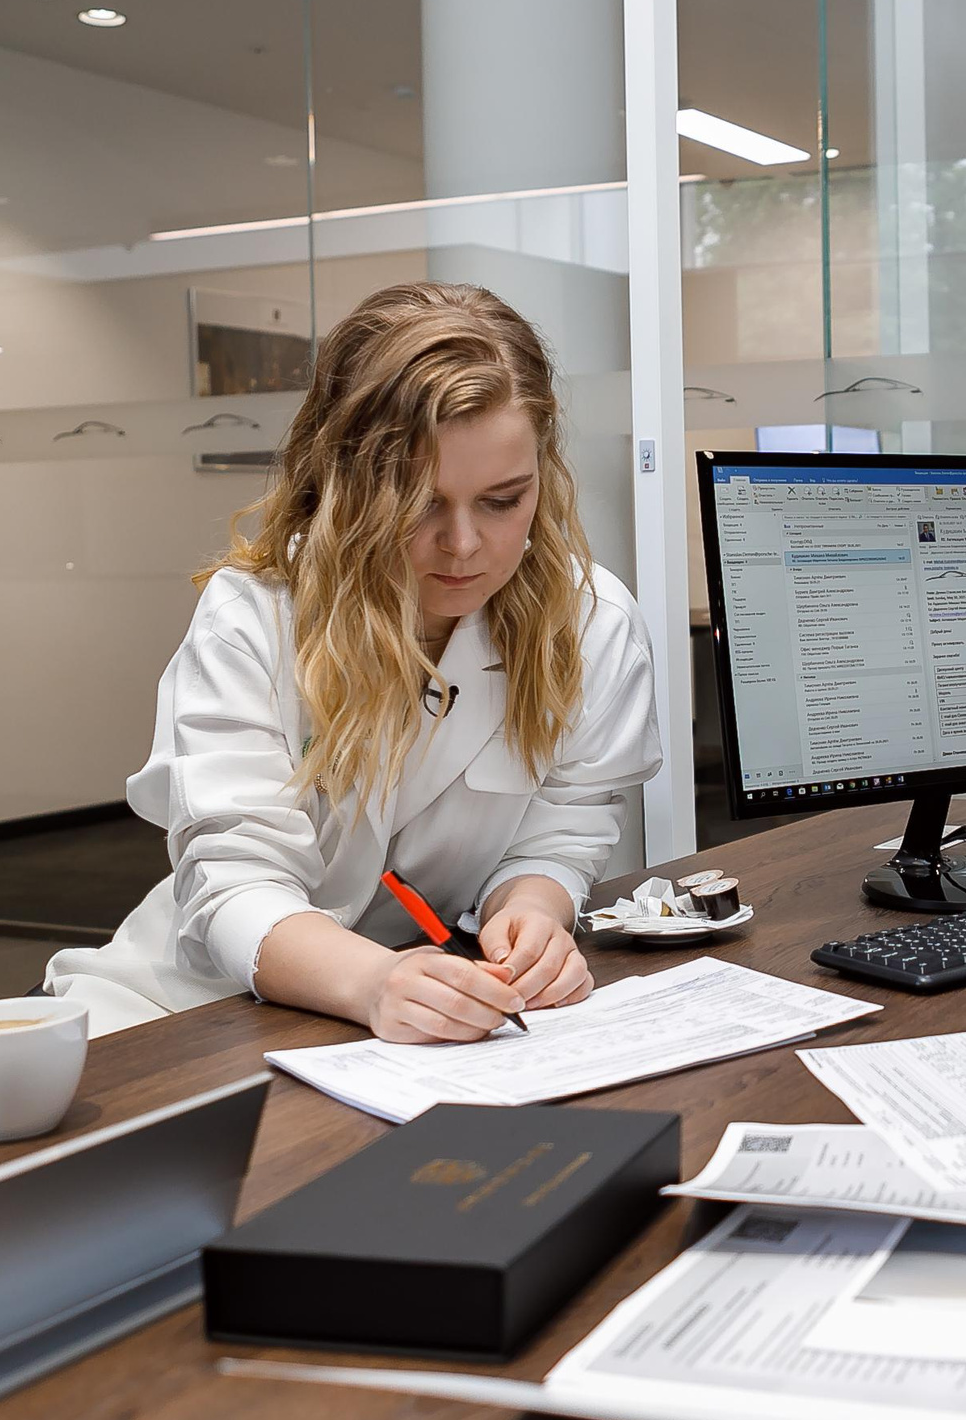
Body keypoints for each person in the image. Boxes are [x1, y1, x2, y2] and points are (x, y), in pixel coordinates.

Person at [47, 282, 663, 1041]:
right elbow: (235, 878)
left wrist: (533, 911)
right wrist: (372, 983)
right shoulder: (256, 617)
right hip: (195, 1007)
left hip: (421, 998)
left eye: (503, 500)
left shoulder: (591, 623)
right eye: (420, 502)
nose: (463, 544)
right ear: (346, 482)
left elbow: (564, 826)